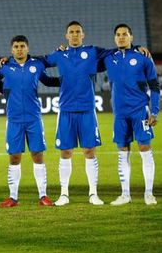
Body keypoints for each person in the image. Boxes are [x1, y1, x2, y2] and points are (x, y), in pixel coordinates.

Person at [43, 21, 111, 206]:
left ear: (83, 35)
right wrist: (8, 61)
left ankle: (93, 193)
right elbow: (39, 63)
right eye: (71, 32)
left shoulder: (92, 52)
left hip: (87, 110)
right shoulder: (60, 54)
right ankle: (64, 194)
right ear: (66, 36)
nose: (74, 35)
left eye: (77, 32)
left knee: (89, 151)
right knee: (65, 152)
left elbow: (116, 51)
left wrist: (137, 48)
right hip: (65, 110)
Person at [0, 36, 58, 208]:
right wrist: (6, 91)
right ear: (11, 50)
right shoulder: (5, 67)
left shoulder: (36, 65)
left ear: (27, 48)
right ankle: (13, 197)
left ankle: (43, 195)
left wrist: (69, 80)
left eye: (22, 46)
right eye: (16, 46)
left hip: (33, 118)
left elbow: (48, 81)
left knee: (37, 155)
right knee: (14, 157)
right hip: (14, 119)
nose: (19, 49)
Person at [103, 24, 159, 205]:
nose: (121, 37)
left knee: (145, 149)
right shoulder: (109, 58)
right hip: (119, 114)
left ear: (131, 37)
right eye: (118, 35)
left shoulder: (143, 58)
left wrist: (155, 111)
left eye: (125, 34)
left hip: (140, 111)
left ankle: (148, 193)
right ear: (114, 39)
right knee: (123, 152)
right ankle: (125, 194)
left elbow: (155, 86)